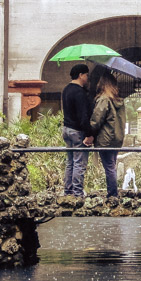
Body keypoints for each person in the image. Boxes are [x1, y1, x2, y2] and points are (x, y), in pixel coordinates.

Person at [85, 72, 126, 199]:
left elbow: (97, 120)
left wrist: (89, 134)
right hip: (117, 138)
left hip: (105, 139)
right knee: (112, 166)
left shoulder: (104, 99)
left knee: (109, 167)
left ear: (102, 84)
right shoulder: (118, 101)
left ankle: (112, 195)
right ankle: (113, 193)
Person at [61, 64, 95, 197]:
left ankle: (68, 191)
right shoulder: (79, 92)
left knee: (70, 162)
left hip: (66, 129)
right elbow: (83, 117)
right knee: (79, 163)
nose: (87, 78)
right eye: (86, 75)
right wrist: (89, 134)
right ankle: (77, 193)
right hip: (77, 131)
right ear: (81, 75)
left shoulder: (66, 90)